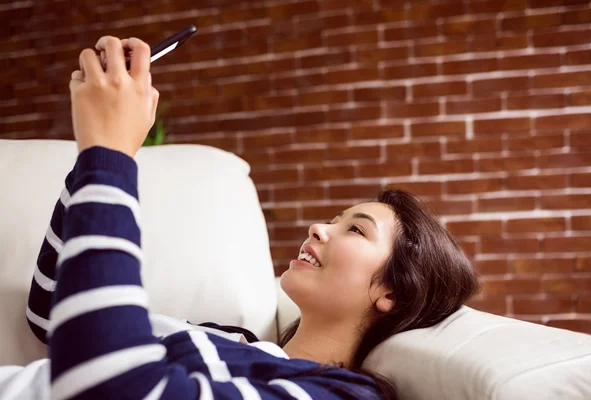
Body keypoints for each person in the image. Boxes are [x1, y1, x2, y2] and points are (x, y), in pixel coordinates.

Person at [16, 36, 480, 400]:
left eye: (355, 229)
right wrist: (93, 157)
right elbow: (49, 314)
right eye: (335, 219)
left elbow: (107, 389)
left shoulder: (336, 394)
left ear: (392, 292)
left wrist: (109, 155)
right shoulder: (229, 340)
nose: (319, 228)